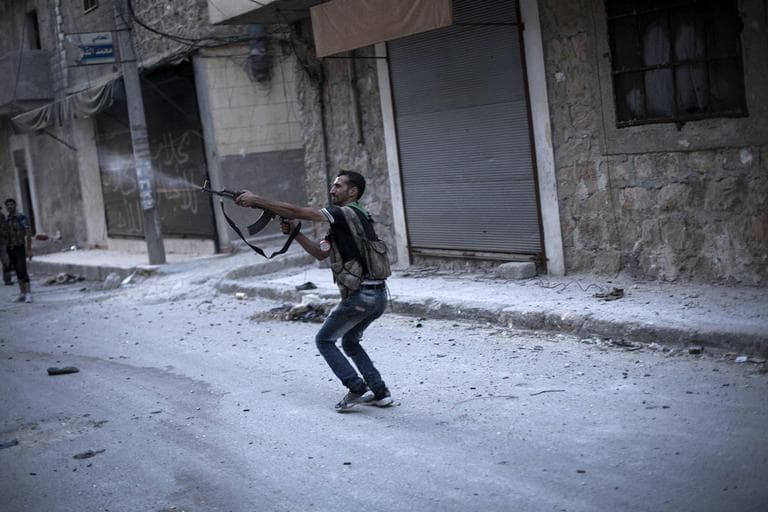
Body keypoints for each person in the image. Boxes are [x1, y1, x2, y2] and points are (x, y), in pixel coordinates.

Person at [235, 170, 394, 412]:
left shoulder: (342, 213)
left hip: (362, 295)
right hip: (378, 296)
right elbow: (322, 253)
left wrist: (256, 200)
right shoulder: (358, 216)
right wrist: (296, 234)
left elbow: (298, 212)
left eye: (339, 186)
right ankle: (380, 392)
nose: (332, 190)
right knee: (350, 341)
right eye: (333, 185)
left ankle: (356, 387)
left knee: (324, 340)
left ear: (353, 192)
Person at [4, 198, 33, 303]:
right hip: (11, 248)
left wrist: (29, 249)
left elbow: (28, 232)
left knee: (22, 270)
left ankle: (29, 293)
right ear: (6, 207)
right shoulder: (6, 220)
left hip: (20, 247)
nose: (9, 206)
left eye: (11, 204)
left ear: (15, 205)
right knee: (17, 271)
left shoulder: (21, 217)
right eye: (7, 205)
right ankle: (22, 293)